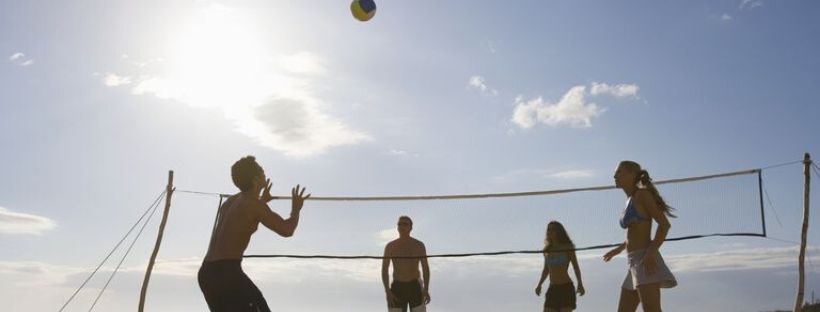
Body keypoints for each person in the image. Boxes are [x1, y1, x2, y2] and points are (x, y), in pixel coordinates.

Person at [198, 156, 310, 312]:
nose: (264, 172)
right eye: (261, 170)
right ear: (256, 179)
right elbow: (287, 229)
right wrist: (296, 208)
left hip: (207, 273)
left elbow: (243, 217)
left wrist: (262, 201)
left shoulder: (231, 201)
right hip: (227, 273)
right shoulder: (253, 204)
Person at [603, 161, 677, 312]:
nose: (614, 175)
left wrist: (650, 253)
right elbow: (634, 234)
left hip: (645, 259)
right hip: (633, 263)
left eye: (619, 172)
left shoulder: (642, 195)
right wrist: (617, 250)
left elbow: (664, 225)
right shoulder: (629, 199)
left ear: (631, 175)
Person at [382, 216, 431, 312]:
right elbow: (384, 270)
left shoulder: (418, 245)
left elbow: (425, 268)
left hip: (414, 286)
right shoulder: (390, 246)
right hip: (397, 286)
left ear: (410, 227)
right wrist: (387, 291)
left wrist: (426, 289)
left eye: (405, 224)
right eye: (400, 224)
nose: (402, 226)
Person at [534, 221, 585, 312]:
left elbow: (576, 267)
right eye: (548, 229)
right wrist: (539, 284)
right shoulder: (547, 250)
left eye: (553, 229)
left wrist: (580, 283)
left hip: (566, 288)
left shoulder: (568, 247)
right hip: (553, 288)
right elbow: (546, 270)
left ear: (559, 231)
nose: (550, 231)